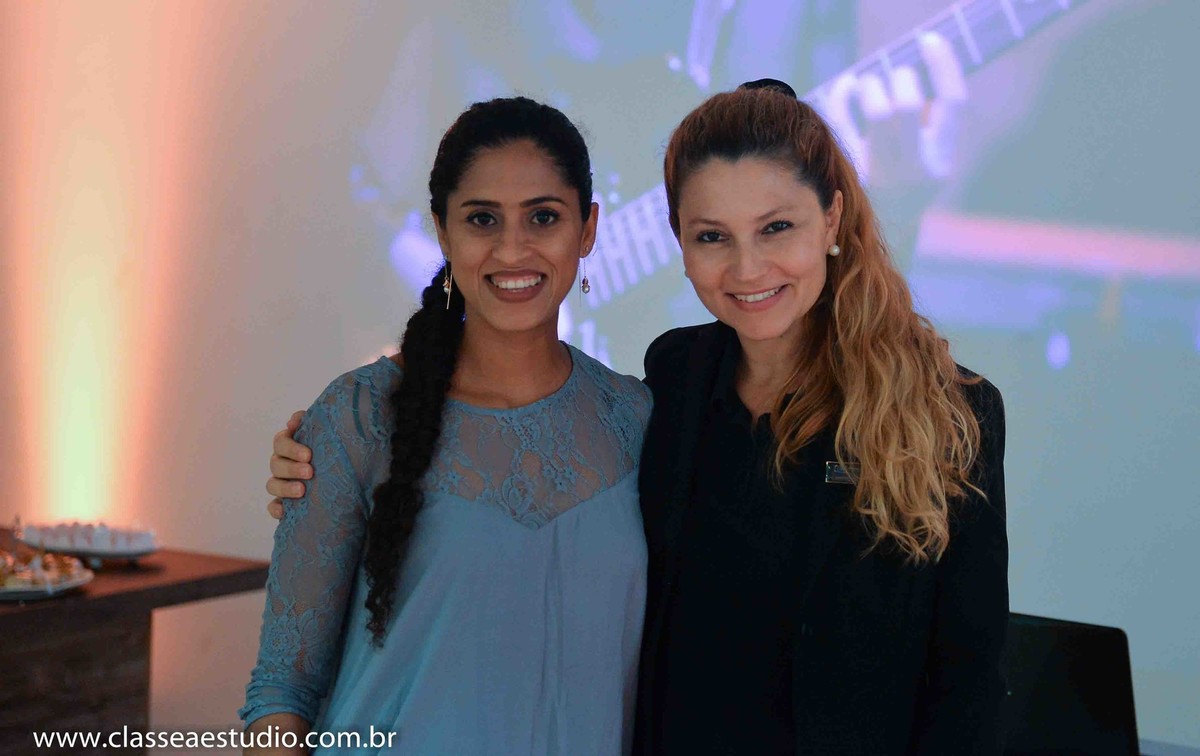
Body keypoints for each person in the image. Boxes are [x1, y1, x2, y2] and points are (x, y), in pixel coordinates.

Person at [266, 80, 1008, 755]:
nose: (748, 269)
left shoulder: (945, 414)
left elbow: (966, 688)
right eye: (712, 235)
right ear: (681, 246)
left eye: (776, 228)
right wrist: (332, 450)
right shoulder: (675, 386)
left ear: (832, 218)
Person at [240, 96, 652, 755]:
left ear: (588, 229)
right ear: (443, 231)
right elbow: (281, 693)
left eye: (543, 217)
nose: (512, 248)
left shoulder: (638, 422)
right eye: (482, 218)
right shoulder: (360, 416)